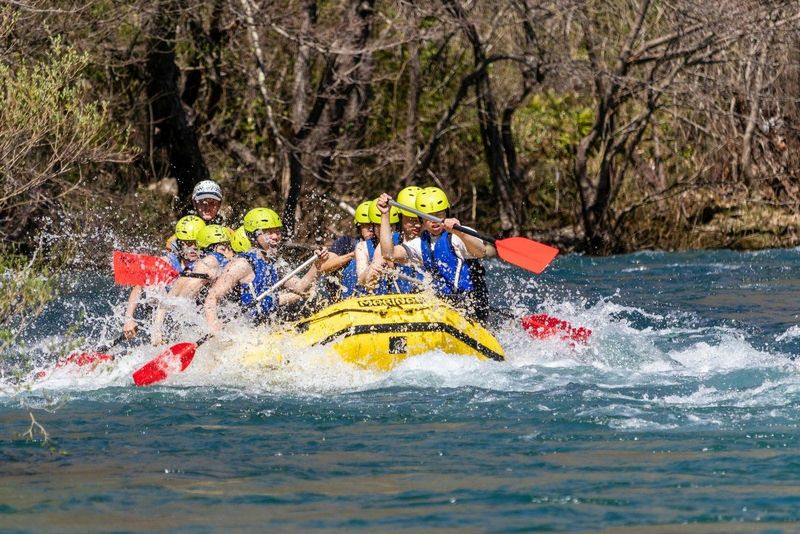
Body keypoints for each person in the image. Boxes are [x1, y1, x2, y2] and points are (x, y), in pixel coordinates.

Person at [203, 207, 328, 332]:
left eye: (277, 231)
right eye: (268, 232)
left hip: (268, 329)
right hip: (246, 331)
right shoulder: (242, 264)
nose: (275, 236)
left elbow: (301, 287)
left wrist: (317, 264)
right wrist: (213, 325)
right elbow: (213, 296)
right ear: (253, 235)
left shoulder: (275, 264)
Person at [376, 187, 491, 321]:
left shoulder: (459, 235)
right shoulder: (420, 244)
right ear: (421, 219)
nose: (434, 221)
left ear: (446, 213)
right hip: (443, 307)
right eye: (429, 216)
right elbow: (389, 254)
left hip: (469, 305)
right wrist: (385, 215)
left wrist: (459, 232)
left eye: (439, 214)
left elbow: (480, 251)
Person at [150, 224, 235, 345]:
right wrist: (157, 331)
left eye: (229, 248)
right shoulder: (202, 266)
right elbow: (170, 300)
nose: (229, 254)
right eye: (223, 249)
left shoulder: (221, 263)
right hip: (185, 322)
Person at [123, 215, 205, 339]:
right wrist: (128, 319)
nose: (193, 248)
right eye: (188, 243)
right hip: (163, 310)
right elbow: (139, 287)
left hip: (192, 311)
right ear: (180, 244)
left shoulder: (207, 263)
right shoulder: (166, 262)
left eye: (197, 244)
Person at [317, 200, 375, 300]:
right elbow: (324, 267)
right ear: (359, 226)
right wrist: (352, 255)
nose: (371, 230)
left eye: (374, 225)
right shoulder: (346, 242)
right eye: (367, 226)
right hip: (343, 301)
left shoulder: (385, 246)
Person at [166, 179, 227, 251]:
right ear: (194, 203)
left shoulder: (227, 232)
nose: (207, 207)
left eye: (212, 203)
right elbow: (170, 247)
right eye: (202, 202)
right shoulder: (179, 235)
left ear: (219, 204)